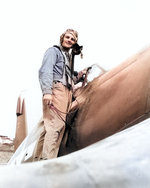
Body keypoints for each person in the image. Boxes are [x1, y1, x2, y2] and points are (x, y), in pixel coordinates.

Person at [36, 29, 85, 160]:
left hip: (66, 92)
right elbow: (45, 71)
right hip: (56, 90)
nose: (69, 40)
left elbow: (67, 79)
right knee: (55, 125)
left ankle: (47, 159)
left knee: (60, 127)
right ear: (62, 38)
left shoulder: (67, 58)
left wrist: (80, 75)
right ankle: (47, 161)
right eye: (67, 37)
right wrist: (47, 92)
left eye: (73, 39)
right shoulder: (54, 51)